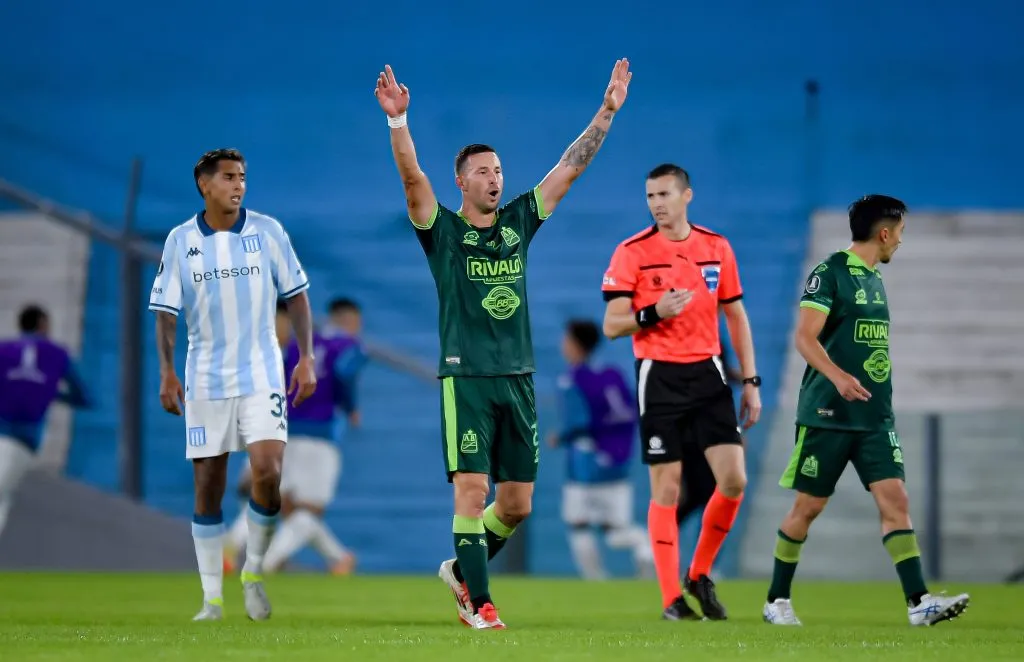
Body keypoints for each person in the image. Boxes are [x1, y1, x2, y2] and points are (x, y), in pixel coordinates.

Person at [374, 59, 632, 629]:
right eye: (483, 172)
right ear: (461, 182)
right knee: (472, 489)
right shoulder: (442, 232)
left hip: (518, 377)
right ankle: (480, 602)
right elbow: (413, 180)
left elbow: (569, 169)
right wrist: (398, 121)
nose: (495, 179)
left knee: (516, 505)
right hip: (466, 377)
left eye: (499, 170)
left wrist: (607, 112)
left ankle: (460, 569)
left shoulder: (519, 222)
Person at [762, 195, 970, 627]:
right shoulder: (829, 273)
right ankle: (776, 600)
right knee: (808, 507)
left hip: (874, 417)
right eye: (901, 233)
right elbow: (804, 338)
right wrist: (838, 377)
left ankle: (919, 602)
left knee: (896, 499)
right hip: (828, 414)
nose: (901, 241)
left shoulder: (874, 278)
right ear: (884, 233)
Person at [149, 148, 316, 622]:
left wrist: (306, 358)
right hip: (206, 377)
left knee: (268, 470)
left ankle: (254, 572)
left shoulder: (268, 231)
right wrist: (166, 371)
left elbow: (297, 296)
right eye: (228, 177)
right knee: (208, 485)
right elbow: (166, 313)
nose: (238, 184)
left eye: (241, 177)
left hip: (262, 372)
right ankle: (212, 600)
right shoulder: (180, 241)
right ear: (204, 185)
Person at [601, 163, 762, 621]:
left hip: (708, 374)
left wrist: (751, 382)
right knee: (667, 488)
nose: (657, 204)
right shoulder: (632, 252)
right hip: (659, 376)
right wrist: (654, 312)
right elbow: (612, 325)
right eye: (650, 196)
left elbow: (736, 316)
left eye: (665, 194)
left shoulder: (716, 247)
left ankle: (700, 574)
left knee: (734, 480)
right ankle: (671, 598)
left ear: (686, 196)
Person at [224, 300, 364, 575]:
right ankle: (265, 563)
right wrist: (351, 407)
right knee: (308, 511)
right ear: (350, 320)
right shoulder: (343, 345)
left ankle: (337, 557)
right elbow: (345, 371)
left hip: (282, 434)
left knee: (277, 502)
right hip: (319, 438)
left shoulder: (284, 348)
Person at [547, 319, 652, 580]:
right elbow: (631, 412)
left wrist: (560, 437)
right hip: (618, 463)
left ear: (576, 345)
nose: (563, 345)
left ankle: (594, 578)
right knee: (616, 532)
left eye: (566, 340)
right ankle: (645, 550)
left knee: (578, 523)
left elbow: (579, 422)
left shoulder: (572, 379)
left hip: (586, 464)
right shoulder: (613, 374)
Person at [0, 305, 91, 539]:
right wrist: (51, 393)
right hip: (22, 436)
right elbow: (85, 397)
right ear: (42, 324)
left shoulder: (4, 350)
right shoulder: (57, 354)